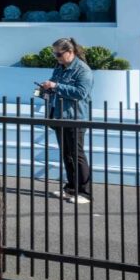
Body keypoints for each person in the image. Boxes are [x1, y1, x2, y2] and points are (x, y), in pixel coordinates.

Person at [39, 37, 93, 204]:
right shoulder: (60, 68)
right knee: (67, 155)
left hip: (75, 117)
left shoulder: (83, 70)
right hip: (58, 115)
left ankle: (84, 192)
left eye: (59, 54)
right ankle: (70, 188)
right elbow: (54, 87)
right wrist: (45, 90)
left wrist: (56, 86)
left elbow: (81, 93)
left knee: (77, 155)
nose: (57, 57)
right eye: (54, 54)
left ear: (71, 52)